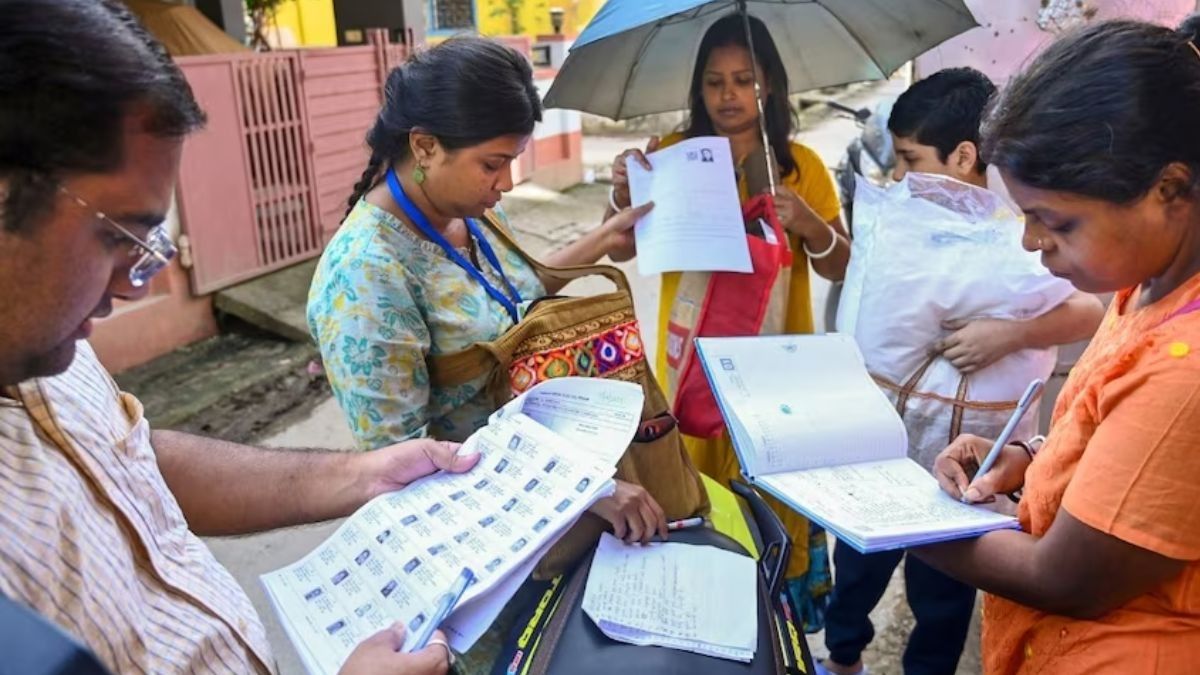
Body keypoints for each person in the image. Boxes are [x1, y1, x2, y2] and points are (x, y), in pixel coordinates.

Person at [0, 1, 472, 673]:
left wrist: (363, 474)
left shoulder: (46, 349)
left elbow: (130, 459)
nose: (135, 284)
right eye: (115, 236)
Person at [913, 20, 1200, 674]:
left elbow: (1067, 576)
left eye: (1056, 222)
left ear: (1169, 189)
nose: (1031, 243)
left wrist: (901, 528)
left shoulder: (1190, 367)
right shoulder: (1148, 284)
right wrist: (1028, 458)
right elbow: (1131, 444)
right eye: (1026, 217)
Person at [307, 38, 667, 543]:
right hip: (480, 537)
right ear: (425, 146)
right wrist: (582, 492)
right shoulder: (366, 277)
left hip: (551, 493)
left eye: (512, 160)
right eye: (493, 163)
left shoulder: (468, 212)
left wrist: (605, 237)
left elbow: (511, 293)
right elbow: (403, 468)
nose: (507, 183)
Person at [817, 68, 1106, 675]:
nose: (898, 176)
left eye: (909, 158)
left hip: (964, 462)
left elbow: (1086, 309)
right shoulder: (895, 219)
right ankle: (843, 658)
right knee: (857, 568)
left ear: (964, 155)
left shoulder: (1018, 231)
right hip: (881, 446)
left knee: (943, 596)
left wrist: (1012, 333)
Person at [610, 13, 850, 624]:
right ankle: (705, 630)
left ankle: (781, 636)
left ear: (769, 84)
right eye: (715, 82)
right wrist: (623, 194)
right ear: (698, 89)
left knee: (772, 496)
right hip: (689, 372)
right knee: (695, 498)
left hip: (776, 373)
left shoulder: (802, 168)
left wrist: (809, 225)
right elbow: (624, 249)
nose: (728, 96)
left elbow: (842, 266)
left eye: (744, 79)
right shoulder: (671, 157)